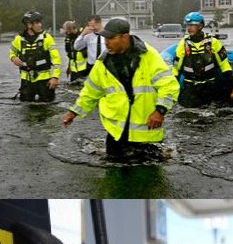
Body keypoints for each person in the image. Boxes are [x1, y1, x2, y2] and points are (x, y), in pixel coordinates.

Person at [61, 17, 179, 159]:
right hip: (116, 132)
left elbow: (169, 85)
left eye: (111, 38)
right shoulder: (103, 62)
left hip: (146, 132)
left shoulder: (148, 55)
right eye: (105, 38)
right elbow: (91, 91)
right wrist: (74, 112)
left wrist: (160, 111)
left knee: (148, 177)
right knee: (113, 175)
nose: (106, 42)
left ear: (125, 37)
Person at [172, 12, 233, 107]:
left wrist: (231, 89)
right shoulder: (183, 44)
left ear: (200, 26)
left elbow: (225, 66)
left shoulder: (213, 42)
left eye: (192, 25)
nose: (189, 28)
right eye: (187, 25)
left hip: (210, 85)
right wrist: (173, 90)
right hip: (190, 86)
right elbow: (175, 68)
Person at [9, 11, 61, 101]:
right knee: (26, 107)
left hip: (45, 81)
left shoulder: (46, 38)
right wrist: (13, 58)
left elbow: (56, 59)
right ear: (29, 25)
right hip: (26, 81)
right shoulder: (19, 39)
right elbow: (12, 52)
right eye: (37, 23)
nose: (40, 25)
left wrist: (55, 77)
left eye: (40, 22)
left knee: (47, 107)